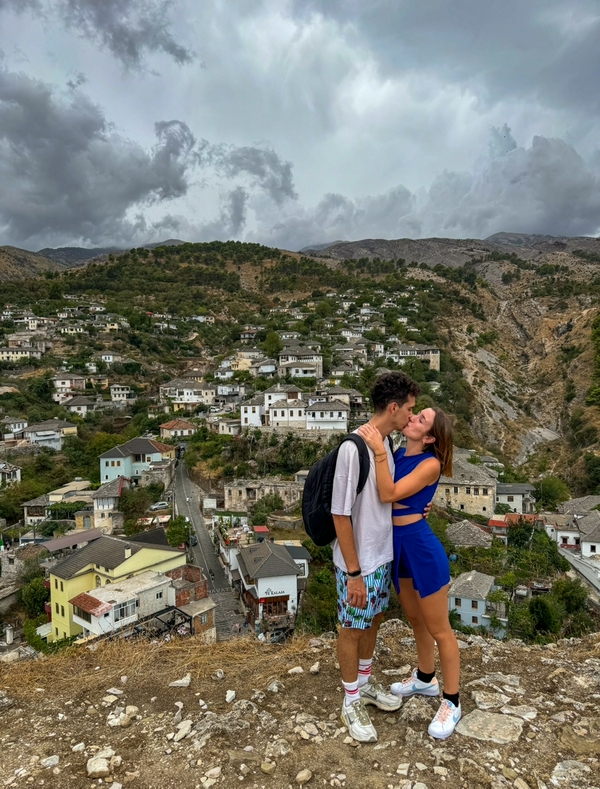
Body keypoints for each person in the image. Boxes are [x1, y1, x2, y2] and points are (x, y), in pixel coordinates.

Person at [357, 406, 461, 739]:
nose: (412, 418)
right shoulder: (399, 452)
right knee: (416, 620)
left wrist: (376, 448)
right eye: (416, 414)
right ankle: (426, 678)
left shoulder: (430, 463)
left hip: (420, 548)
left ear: (430, 437)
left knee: (440, 629)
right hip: (397, 545)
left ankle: (452, 701)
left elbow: (389, 493)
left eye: (421, 419)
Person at [331, 371, 420, 743]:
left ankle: (364, 684)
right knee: (352, 628)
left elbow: (386, 497)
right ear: (393, 408)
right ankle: (350, 700)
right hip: (359, 563)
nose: (412, 418)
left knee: (374, 620)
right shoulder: (354, 449)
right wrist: (353, 572)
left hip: (381, 556)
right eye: (410, 410)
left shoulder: (385, 448)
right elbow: (340, 512)